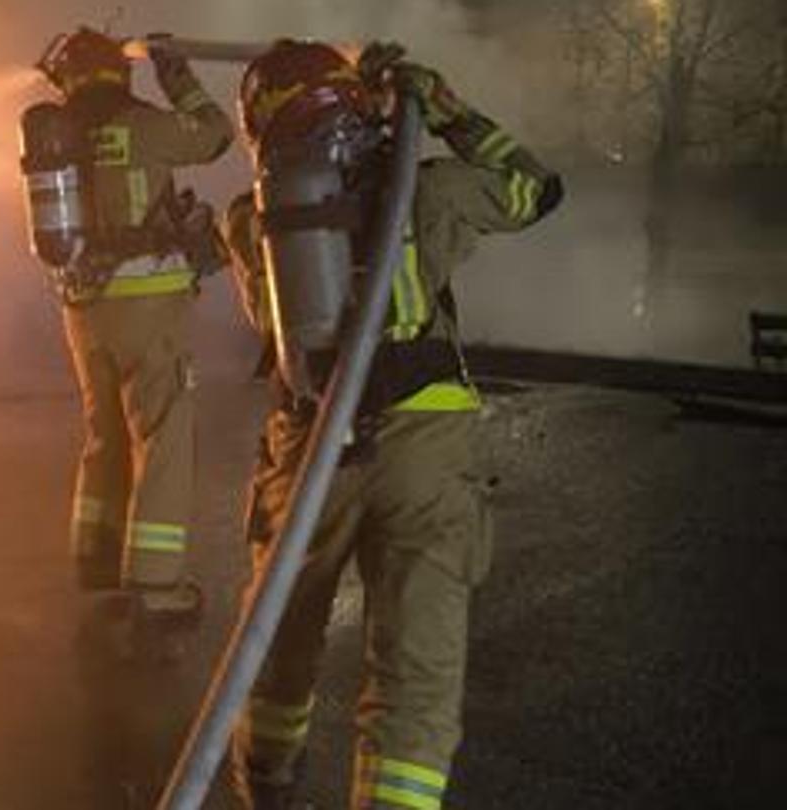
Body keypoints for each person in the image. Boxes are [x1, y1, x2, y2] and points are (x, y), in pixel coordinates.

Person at [220, 41, 563, 809]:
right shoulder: (427, 192)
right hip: (426, 448)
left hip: (310, 451)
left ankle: (265, 783)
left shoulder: (251, 221)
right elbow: (536, 189)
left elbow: (273, 325)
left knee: (280, 637)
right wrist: (441, 111)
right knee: (415, 669)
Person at [35, 28, 234, 639]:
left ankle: (96, 557)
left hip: (82, 306)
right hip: (147, 300)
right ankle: (156, 585)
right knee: (164, 433)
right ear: (117, 73)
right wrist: (177, 74)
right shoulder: (144, 123)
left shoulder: (60, 137)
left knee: (106, 431)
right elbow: (217, 134)